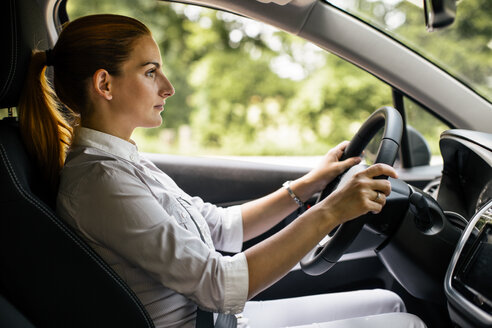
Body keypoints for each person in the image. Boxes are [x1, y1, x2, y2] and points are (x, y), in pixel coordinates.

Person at [18, 14, 426, 328]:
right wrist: (332, 211)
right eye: (149, 71)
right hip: (209, 320)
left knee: (388, 304)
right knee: (405, 323)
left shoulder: (123, 161)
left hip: (220, 319)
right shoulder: (101, 182)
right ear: (105, 85)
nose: (168, 86)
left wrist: (310, 184)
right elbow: (220, 285)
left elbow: (220, 227)